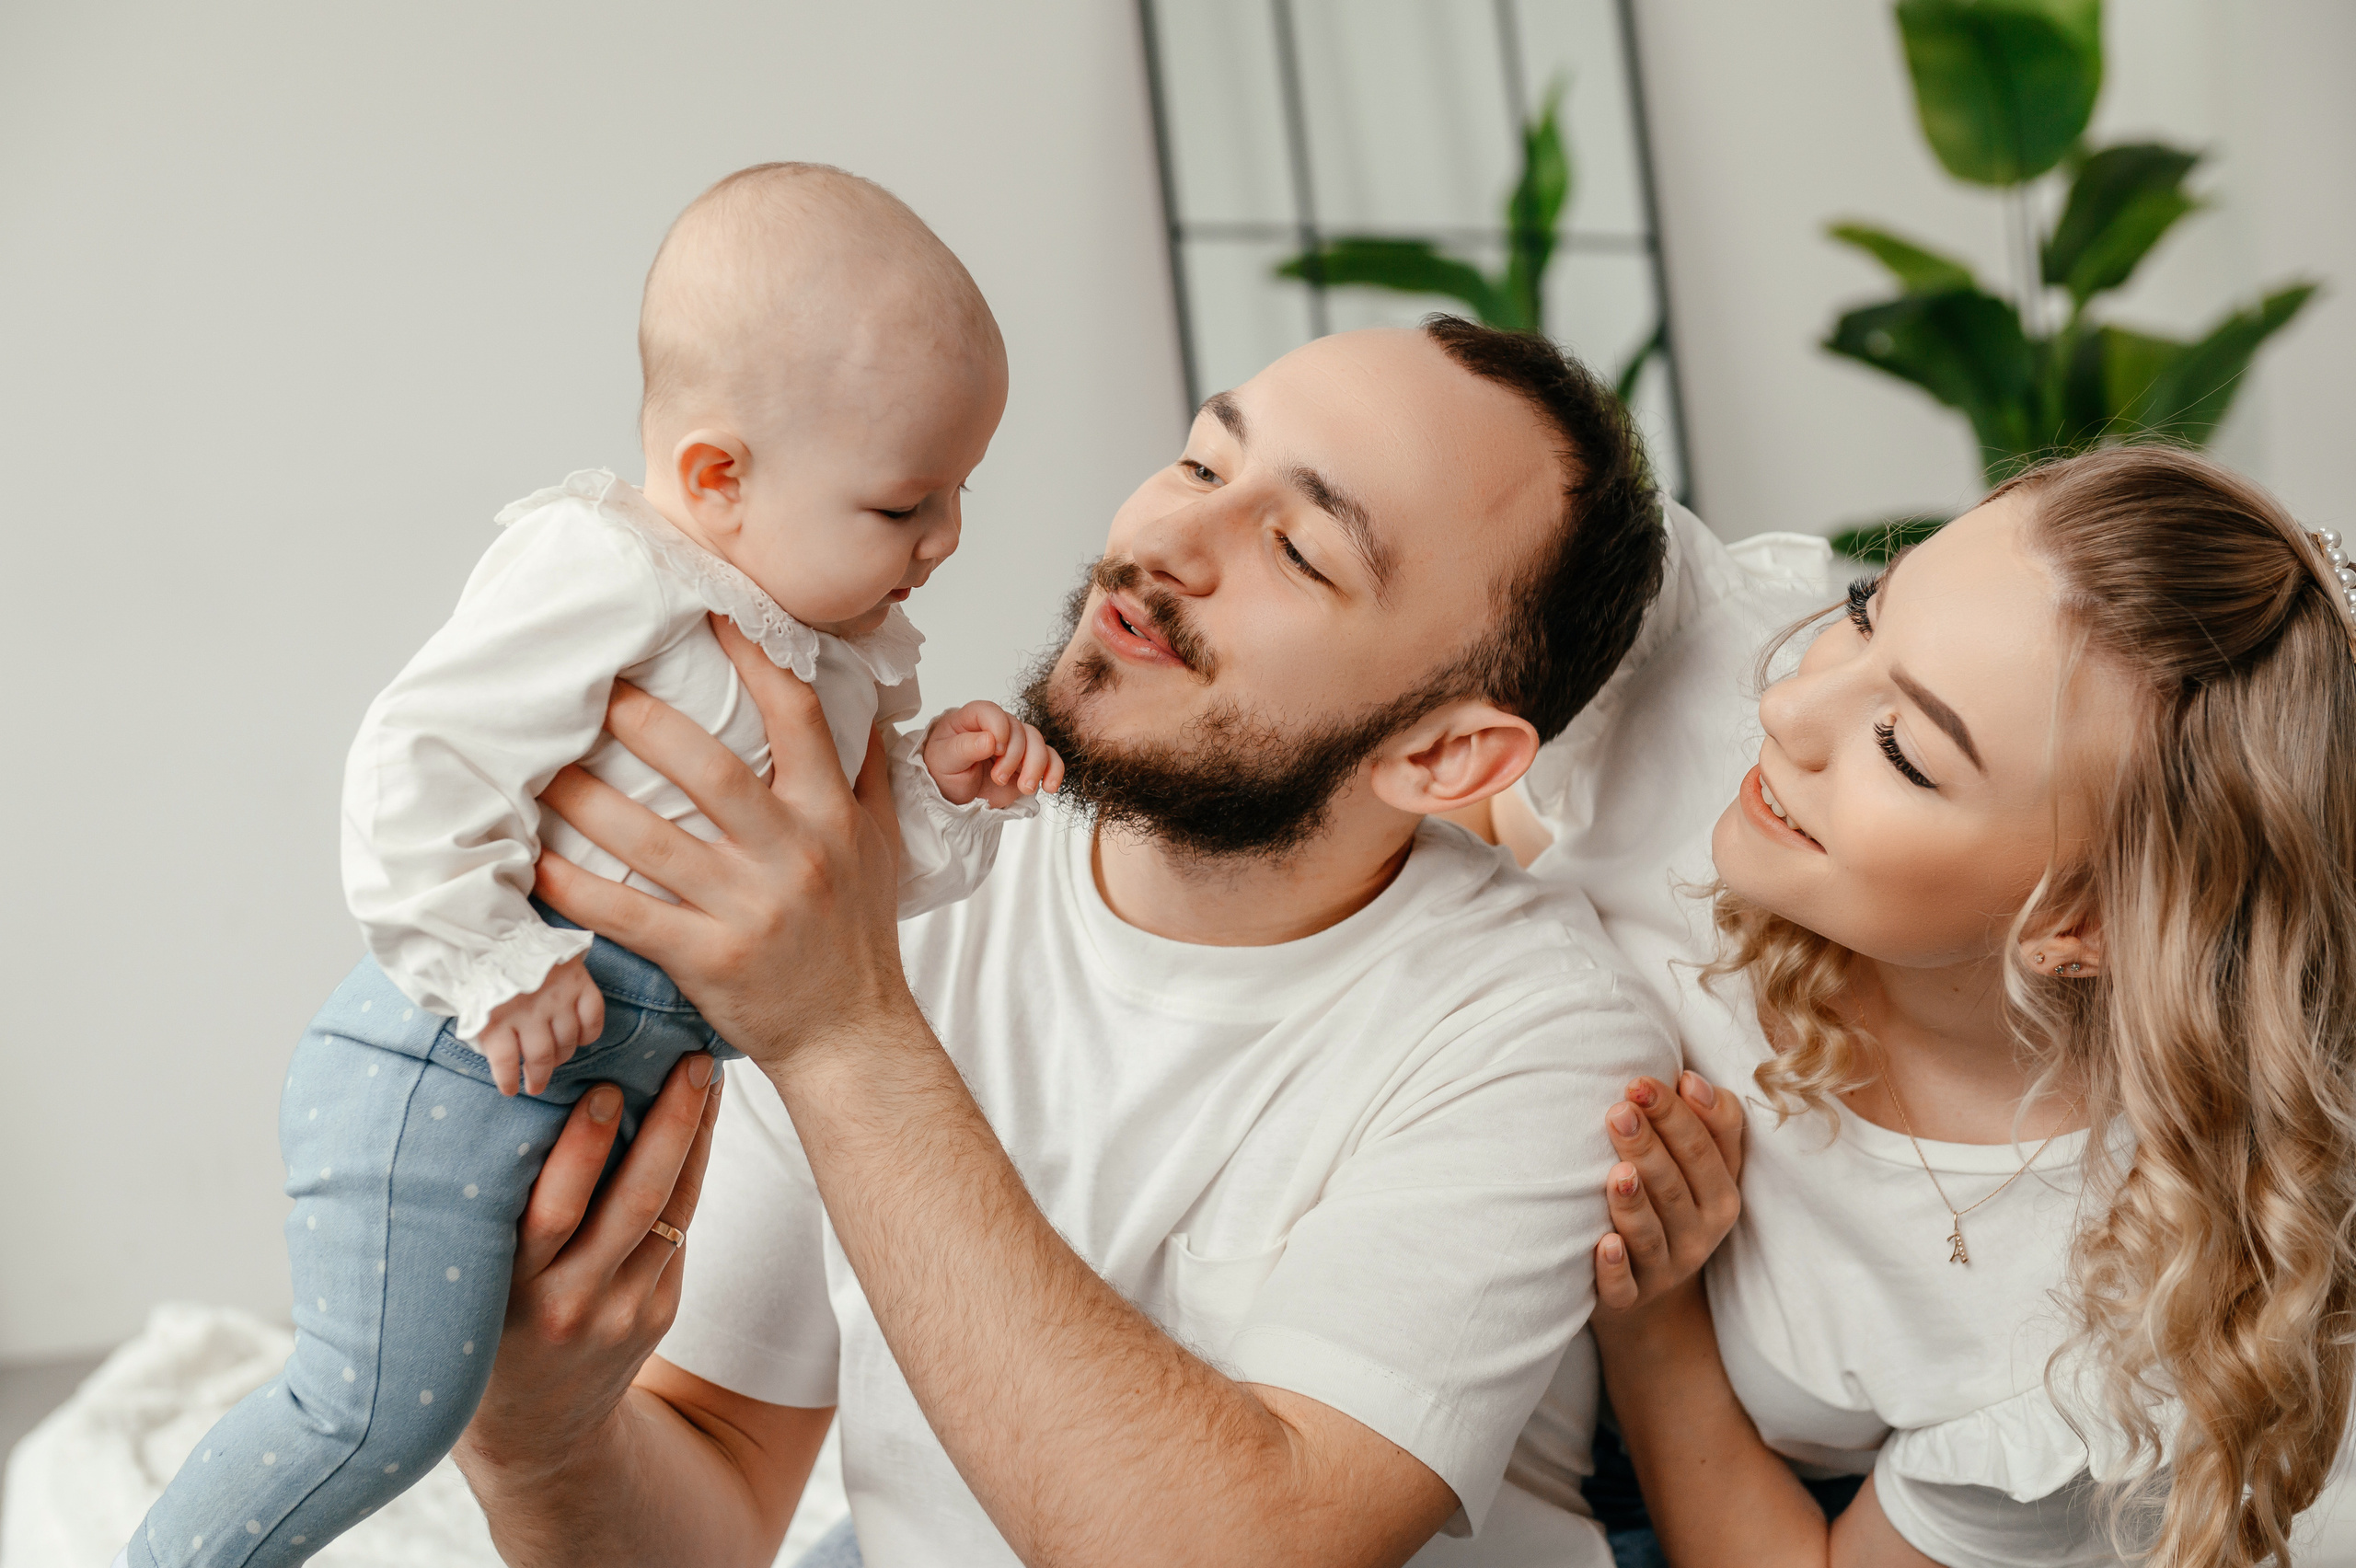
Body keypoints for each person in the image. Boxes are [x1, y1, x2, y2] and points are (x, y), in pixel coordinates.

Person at [445, 317, 1684, 1568]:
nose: (1162, 543)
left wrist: (839, 1030)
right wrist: (536, 1444)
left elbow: (1243, 1551)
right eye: (1204, 464)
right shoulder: (899, 884)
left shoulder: (1547, 1036)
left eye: (1300, 551)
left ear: (1445, 756)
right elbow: (714, 1473)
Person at [121, 163, 1062, 1568]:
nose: (949, 538)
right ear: (715, 479)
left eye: (963, 492)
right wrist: (492, 963)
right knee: (376, 1413)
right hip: (448, 1067)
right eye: (905, 503)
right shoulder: (614, 573)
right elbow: (420, 757)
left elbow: (834, 902)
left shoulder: (841, 655)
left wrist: (941, 795)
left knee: (477, 1397)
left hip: (577, 1101)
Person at [1519, 446, 2356, 1566]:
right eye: (1864, 612)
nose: (1783, 703)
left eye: (1901, 751)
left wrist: (1653, 1326)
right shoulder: (1701, 647)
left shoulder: (2109, 1338)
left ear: (2084, 923)